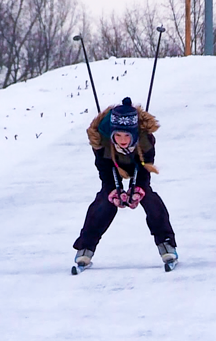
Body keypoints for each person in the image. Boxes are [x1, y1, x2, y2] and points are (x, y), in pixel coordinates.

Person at [73, 97, 177, 267]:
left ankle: (166, 244)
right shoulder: (101, 142)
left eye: (126, 136)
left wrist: (138, 189)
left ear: (134, 134)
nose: (122, 140)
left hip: (138, 166)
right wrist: (115, 190)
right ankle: (85, 248)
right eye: (118, 135)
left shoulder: (145, 141)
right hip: (112, 167)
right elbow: (105, 171)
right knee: (105, 202)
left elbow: (145, 169)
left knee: (149, 198)